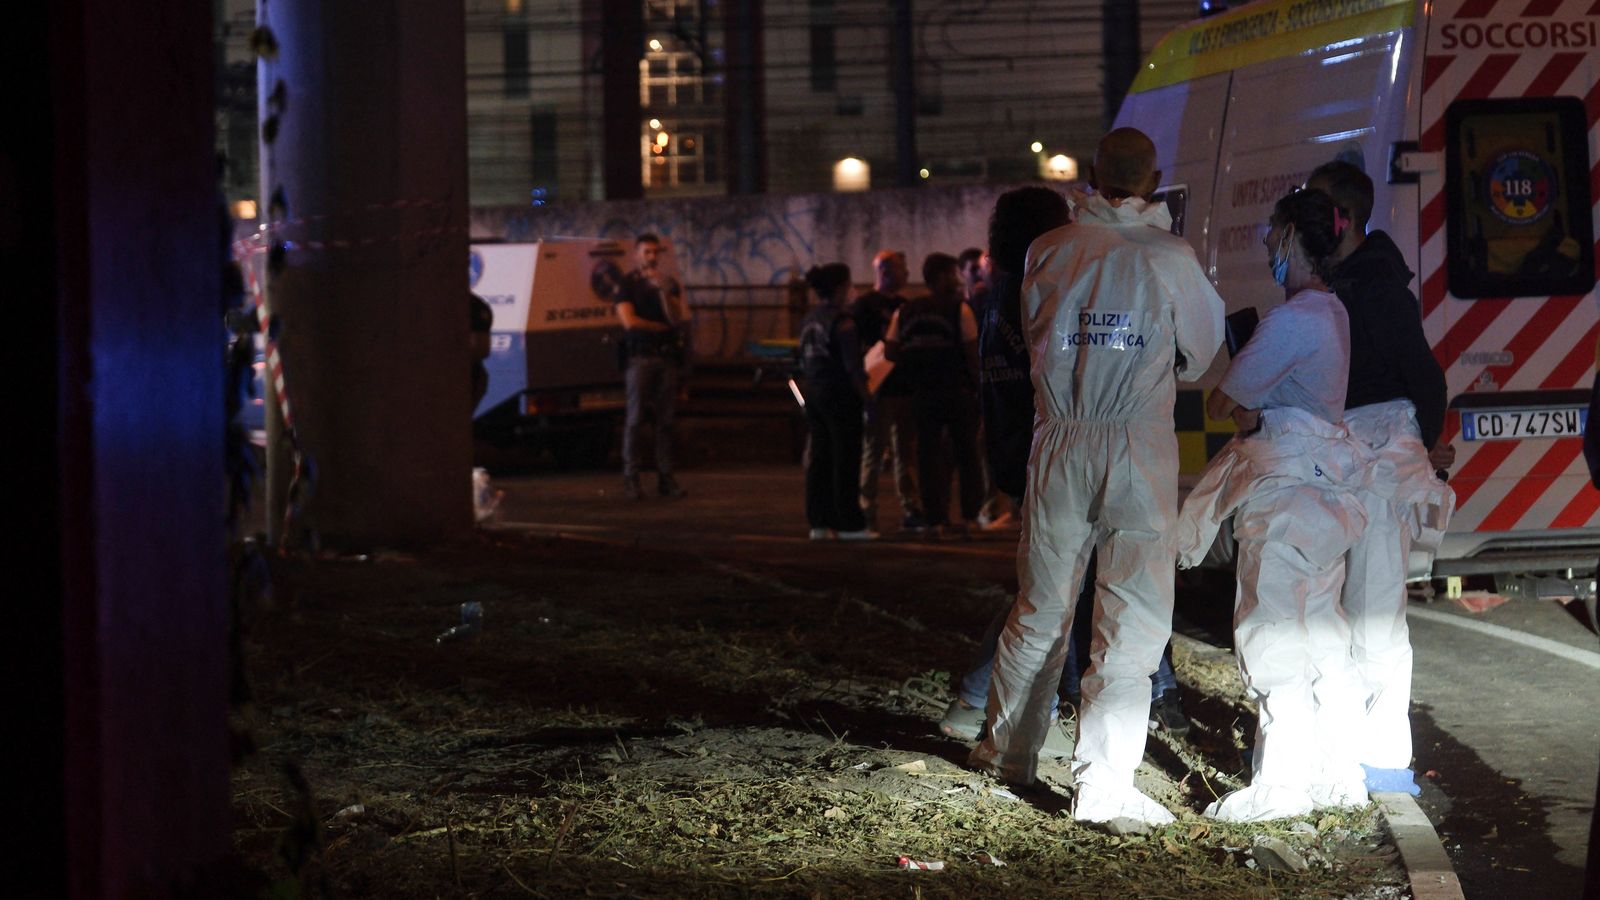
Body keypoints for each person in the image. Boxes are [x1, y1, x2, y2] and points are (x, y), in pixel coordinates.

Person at [969, 128, 1224, 826]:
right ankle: (1102, 786)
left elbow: (1034, 333)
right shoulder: (1171, 258)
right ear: (1155, 178)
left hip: (1059, 441)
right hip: (1137, 446)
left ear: (1090, 174)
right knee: (1131, 623)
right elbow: (1202, 355)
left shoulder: (1047, 250)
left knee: (1041, 605)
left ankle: (1005, 754)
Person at [939, 188, 1192, 747]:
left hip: (1031, 449)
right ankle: (985, 700)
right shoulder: (1037, 284)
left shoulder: (1007, 289)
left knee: (1048, 592)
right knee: (1071, 594)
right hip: (1058, 444)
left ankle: (1006, 722)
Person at [1174, 187, 1373, 821]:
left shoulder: (1290, 321)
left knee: (1271, 638)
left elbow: (1222, 403)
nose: (1265, 246)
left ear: (1291, 240)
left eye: (1272, 236)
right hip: (1326, 497)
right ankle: (1339, 775)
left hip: (1285, 501)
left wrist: (1254, 390)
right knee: (1323, 639)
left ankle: (1280, 786)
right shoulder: (1333, 313)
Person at [1304, 161, 1455, 795]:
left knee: (1376, 611)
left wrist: (1420, 444)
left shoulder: (1375, 289)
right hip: (1348, 454)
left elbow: (1422, 376)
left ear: (1340, 215)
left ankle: (1386, 762)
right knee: (1335, 609)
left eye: (1316, 208)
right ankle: (1340, 747)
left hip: (1377, 458)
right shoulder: (1343, 283)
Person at [886, 253, 985, 538]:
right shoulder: (959, 309)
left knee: (927, 455)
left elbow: (891, 349)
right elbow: (971, 352)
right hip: (956, 391)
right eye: (952, 274)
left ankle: (935, 518)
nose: (956, 280)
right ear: (941, 276)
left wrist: (915, 353)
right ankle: (969, 516)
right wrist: (979, 388)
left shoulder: (905, 311)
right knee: (966, 453)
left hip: (921, 393)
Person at [797, 263, 877, 541]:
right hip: (840, 395)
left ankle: (819, 522)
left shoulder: (809, 319)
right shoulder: (843, 321)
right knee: (846, 458)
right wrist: (867, 400)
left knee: (820, 458)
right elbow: (853, 366)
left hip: (815, 392)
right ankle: (849, 524)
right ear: (842, 287)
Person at [850, 250, 926, 531]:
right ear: (883, 271)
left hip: (902, 387)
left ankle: (910, 508)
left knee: (905, 453)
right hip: (879, 389)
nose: (906, 273)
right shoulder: (865, 306)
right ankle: (866, 512)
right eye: (900, 268)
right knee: (874, 450)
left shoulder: (904, 305)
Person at [613, 233, 690, 501]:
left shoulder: (668, 283)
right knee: (635, 420)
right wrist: (658, 327)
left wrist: (664, 294)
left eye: (655, 252)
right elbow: (628, 321)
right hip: (640, 359)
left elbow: (678, 317)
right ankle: (631, 479)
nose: (652, 257)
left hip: (666, 358)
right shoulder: (628, 284)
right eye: (646, 252)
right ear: (636, 254)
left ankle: (666, 478)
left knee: (666, 421)